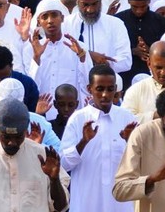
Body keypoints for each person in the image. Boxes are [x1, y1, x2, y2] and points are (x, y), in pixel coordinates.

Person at [59, 64, 138, 212]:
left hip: (120, 204)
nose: (105, 94)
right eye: (100, 89)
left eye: (110, 89)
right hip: (86, 202)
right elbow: (64, 164)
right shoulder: (78, 119)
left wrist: (130, 141)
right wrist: (84, 141)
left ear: (115, 89)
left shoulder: (127, 118)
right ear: (90, 89)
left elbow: (140, 162)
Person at [116, 0, 165, 89]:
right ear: (128, 1)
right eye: (135, 6)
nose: (139, 10)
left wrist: (151, 51)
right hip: (126, 76)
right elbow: (112, 48)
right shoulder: (118, 20)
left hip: (154, 74)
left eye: (143, 6)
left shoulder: (160, 21)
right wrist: (133, 50)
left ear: (149, 0)